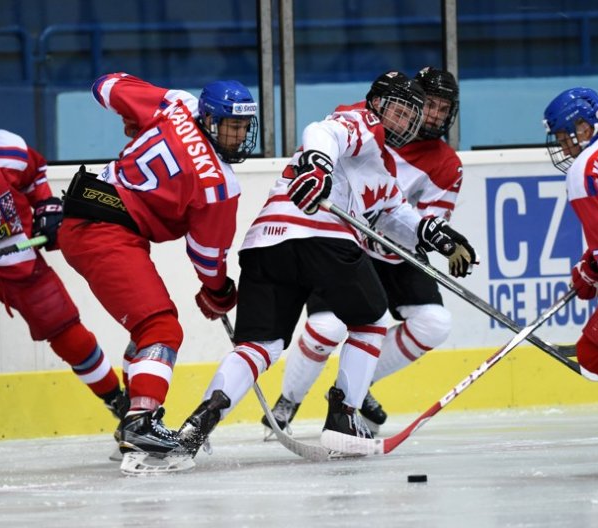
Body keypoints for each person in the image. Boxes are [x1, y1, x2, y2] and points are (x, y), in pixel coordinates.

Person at [177, 70, 476, 457]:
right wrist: (318, 164)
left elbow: (395, 214)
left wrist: (434, 234)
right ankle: (344, 418)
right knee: (370, 321)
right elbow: (323, 132)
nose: (400, 121)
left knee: (260, 345)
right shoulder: (360, 123)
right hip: (322, 239)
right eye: (394, 110)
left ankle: (199, 423)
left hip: (266, 244)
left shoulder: (380, 167)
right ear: (376, 104)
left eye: (408, 116)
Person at [57, 73, 258, 471]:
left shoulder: (176, 104)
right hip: (105, 232)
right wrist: (218, 292)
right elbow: (206, 256)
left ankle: (133, 420)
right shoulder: (219, 184)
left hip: (92, 218)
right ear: (210, 120)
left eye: (243, 128)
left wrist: (133, 121)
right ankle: (140, 422)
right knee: (162, 329)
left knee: (149, 329)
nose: (237, 137)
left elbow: (105, 85)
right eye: (230, 127)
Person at [260, 66, 464, 435]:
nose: (434, 114)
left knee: (435, 323)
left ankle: (354, 386)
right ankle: (288, 399)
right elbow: (324, 148)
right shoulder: (368, 118)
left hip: (391, 249)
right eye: (428, 104)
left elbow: (422, 224)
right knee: (325, 326)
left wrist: (429, 236)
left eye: (442, 107)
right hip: (340, 237)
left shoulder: (447, 164)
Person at [0, 108, 128, 421]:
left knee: (62, 325)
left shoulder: (7, 149)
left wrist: (46, 206)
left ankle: (118, 402)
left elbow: (35, 173)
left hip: (12, 255)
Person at [543, 87, 598, 383]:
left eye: (566, 139)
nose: (564, 149)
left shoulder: (584, 169)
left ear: (585, 127)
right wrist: (594, 264)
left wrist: (591, 273)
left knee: (592, 353)